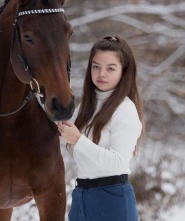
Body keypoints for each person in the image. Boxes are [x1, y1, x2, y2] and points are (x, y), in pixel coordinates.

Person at [57, 36, 144, 221]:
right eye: (96, 66)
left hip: (112, 199)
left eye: (110, 68)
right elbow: (68, 139)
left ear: (124, 71)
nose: (101, 73)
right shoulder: (86, 107)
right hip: (81, 197)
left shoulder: (125, 110)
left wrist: (78, 140)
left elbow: (118, 162)